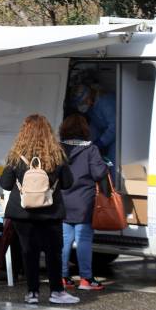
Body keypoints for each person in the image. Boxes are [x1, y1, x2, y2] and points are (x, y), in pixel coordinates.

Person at [0, 114, 77, 305]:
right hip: (51, 211)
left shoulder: (17, 155)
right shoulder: (56, 154)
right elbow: (67, 183)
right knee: (53, 252)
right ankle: (57, 291)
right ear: (48, 132)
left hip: (22, 212)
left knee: (28, 251)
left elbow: (5, 183)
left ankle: (32, 293)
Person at [59, 114, 108, 291]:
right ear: (84, 130)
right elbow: (98, 173)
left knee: (64, 240)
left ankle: (63, 277)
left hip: (63, 200)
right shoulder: (91, 149)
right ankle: (86, 279)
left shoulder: (60, 149)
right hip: (83, 203)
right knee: (83, 239)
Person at [71, 85, 116, 166]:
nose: (82, 106)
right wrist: (89, 143)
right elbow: (95, 126)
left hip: (119, 138)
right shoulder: (92, 108)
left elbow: (115, 126)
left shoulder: (105, 102)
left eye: (83, 102)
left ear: (89, 97)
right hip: (110, 138)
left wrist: (101, 142)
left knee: (113, 164)